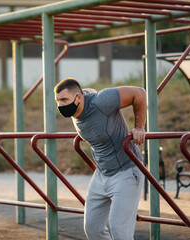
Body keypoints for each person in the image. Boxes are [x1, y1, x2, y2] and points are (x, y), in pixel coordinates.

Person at [54, 78, 146, 240]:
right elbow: (88, 90)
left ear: (78, 98)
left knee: (119, 231)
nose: (60, 105)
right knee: (93, 229)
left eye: (64, 100)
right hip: (102, 174)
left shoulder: (101, 101)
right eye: (57, 101)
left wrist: (139, 127)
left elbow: (138, 93)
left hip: (126, 171)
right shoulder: (77, 106)